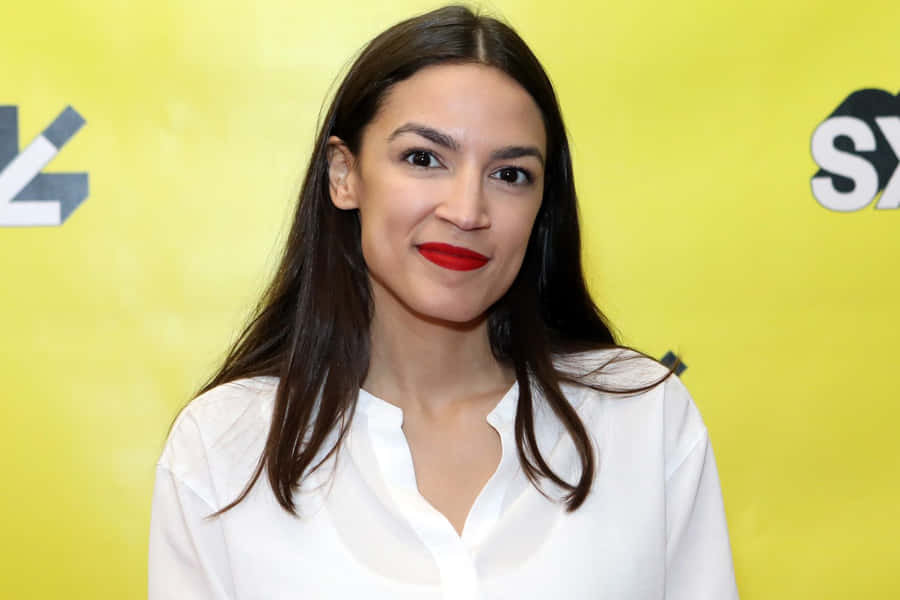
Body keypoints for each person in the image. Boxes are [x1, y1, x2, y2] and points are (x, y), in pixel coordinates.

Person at [148, 5, 739, 599]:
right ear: (343, 175)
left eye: (510, 174)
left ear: (542, 207)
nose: (467, 210)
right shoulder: (224, 445)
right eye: (424, 159)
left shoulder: (641, 416)